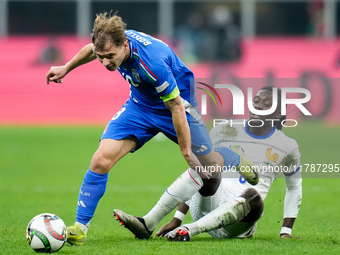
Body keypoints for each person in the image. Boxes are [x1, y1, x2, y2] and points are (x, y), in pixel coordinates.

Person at [45, 12, 258, 245]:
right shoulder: (110, 43)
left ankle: (232, 155)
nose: (106, 62)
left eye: (110, 56)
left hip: (178, 106)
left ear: (125, 45)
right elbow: (91, 48)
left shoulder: (152, 63)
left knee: (212, 169)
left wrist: (186, 152)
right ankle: (79, 228)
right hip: (140, 107)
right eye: (101, 56)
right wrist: (66, 67)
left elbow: (175, 106)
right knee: (101, 160)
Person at [115, 86, 302, 240]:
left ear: (278, 113)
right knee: (207, 166)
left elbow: (294, 189)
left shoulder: (288, 146)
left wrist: (286, 231)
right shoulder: (225, 129)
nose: (259, 107)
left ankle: (190, 230)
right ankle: (148, 223)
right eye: (256, 102)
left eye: (267, 105)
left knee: (254, 196)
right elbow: (199, 170)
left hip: (239, 223)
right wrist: (177, 218)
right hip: (210, 202)